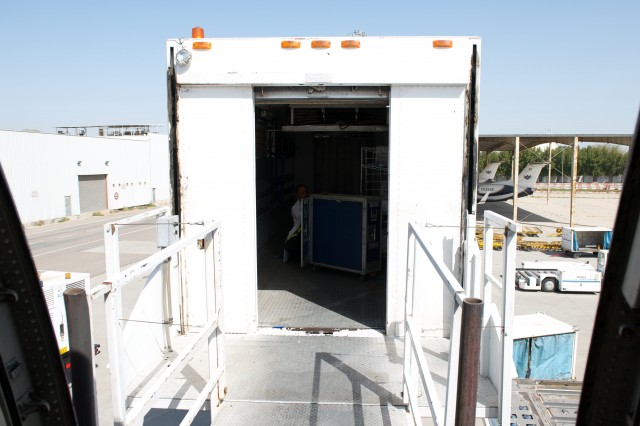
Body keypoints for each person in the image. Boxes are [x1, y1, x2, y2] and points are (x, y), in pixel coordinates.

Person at [283, 184, 308, 262]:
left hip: (306, 228)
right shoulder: (295, 208)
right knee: (291, 245)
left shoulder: (309, 202)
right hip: (298, 230)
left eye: (305, 192)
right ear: (297, 195)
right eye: (301, 193)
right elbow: (304, 217)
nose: (304, 194)